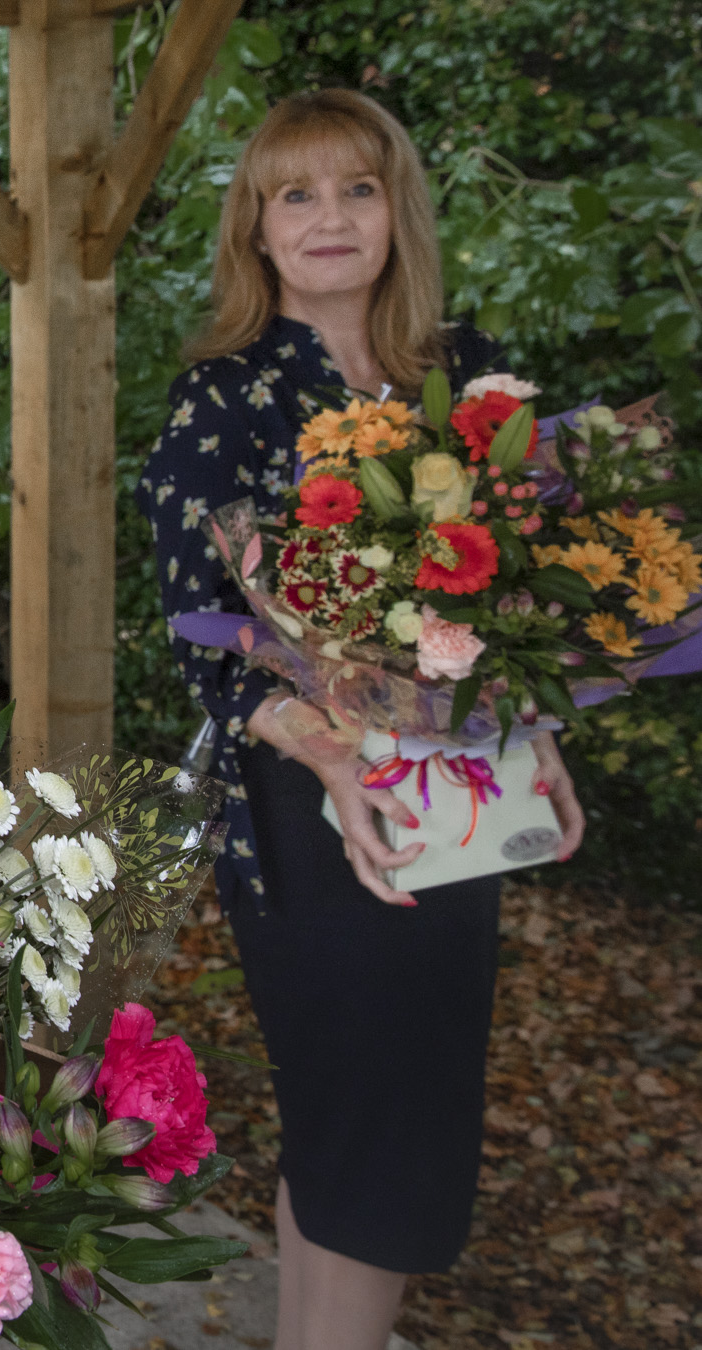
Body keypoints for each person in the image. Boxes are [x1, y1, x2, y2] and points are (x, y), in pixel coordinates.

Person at [135, 89, 586, 1350]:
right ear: (256, 228)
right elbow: (201, 636)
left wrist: (536, 730)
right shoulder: (220, 399)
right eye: (296, 192)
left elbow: (526, 599)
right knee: (370, 1115)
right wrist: (332, 754)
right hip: (311, 801)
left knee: (375, 1109)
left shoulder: (465, 380)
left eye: (356, 188)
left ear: (397, 209)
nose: (329, 216)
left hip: (460, 787)